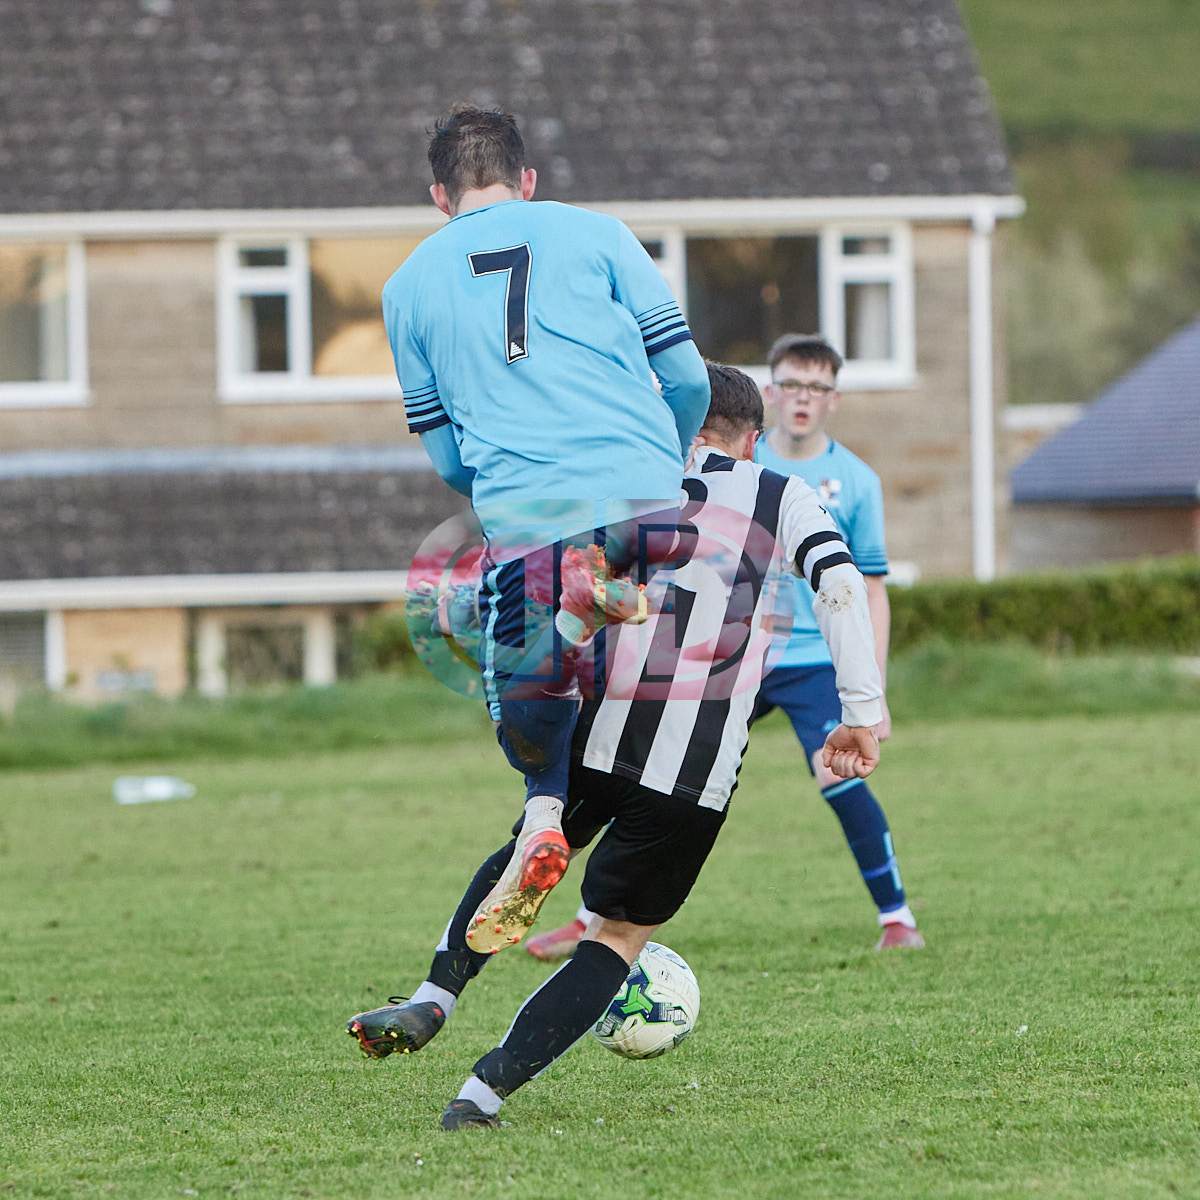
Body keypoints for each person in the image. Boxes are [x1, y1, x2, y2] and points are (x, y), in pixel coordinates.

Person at [346, 362, 886, 1129]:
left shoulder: (639, 480)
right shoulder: (783, 494)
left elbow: (559, 570)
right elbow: (840, 584)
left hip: (598, 729)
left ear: (681, 425)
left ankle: (436, 994)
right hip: (693, 771)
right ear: (752, 440)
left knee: (534, 844)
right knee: (617, 938)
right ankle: (479, 1096)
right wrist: (859, 708)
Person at [383, 105, 710, 949]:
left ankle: (543, 805)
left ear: (439, 196)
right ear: (527, 180)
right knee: (589, 677)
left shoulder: (406, 287)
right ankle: (549, 813)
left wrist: (509, 490)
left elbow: (449, 460)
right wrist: (662, 468)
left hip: (532, 520)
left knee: (513, 693)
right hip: (653, 512)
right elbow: (687, 381)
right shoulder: (601, 234)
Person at [525, 333, 924, 959]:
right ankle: (589, 921)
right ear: (770, 395)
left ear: (834, 400)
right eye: (793, 384)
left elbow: (866, 587)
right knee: (648, 763)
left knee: (837, 775)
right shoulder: (703, 467)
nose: (803, 398)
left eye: (817, 387)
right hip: (727, 655)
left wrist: (871, 694)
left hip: (808, 659)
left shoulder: (855, 480)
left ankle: (896, 916)